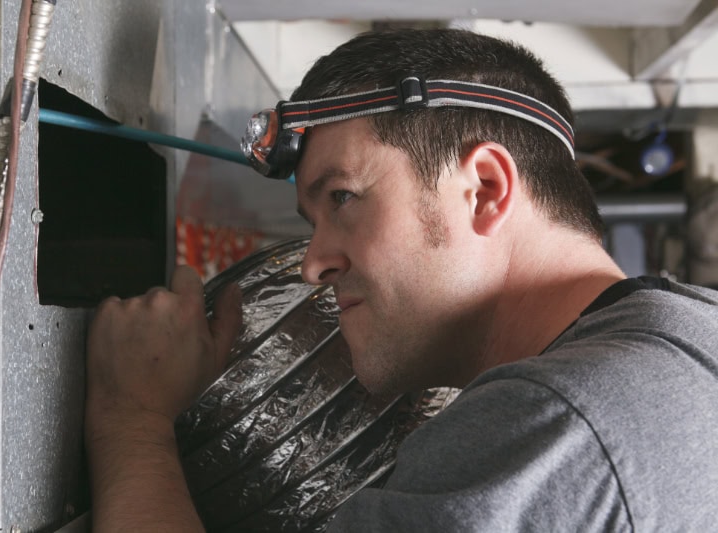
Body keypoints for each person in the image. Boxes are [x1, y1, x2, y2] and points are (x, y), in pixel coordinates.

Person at [85, 28, 718, 531]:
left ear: (484, 190)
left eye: (342, 198)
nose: (312, 263)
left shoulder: (557, 425)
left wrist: (132, 418)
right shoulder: (688, 341)